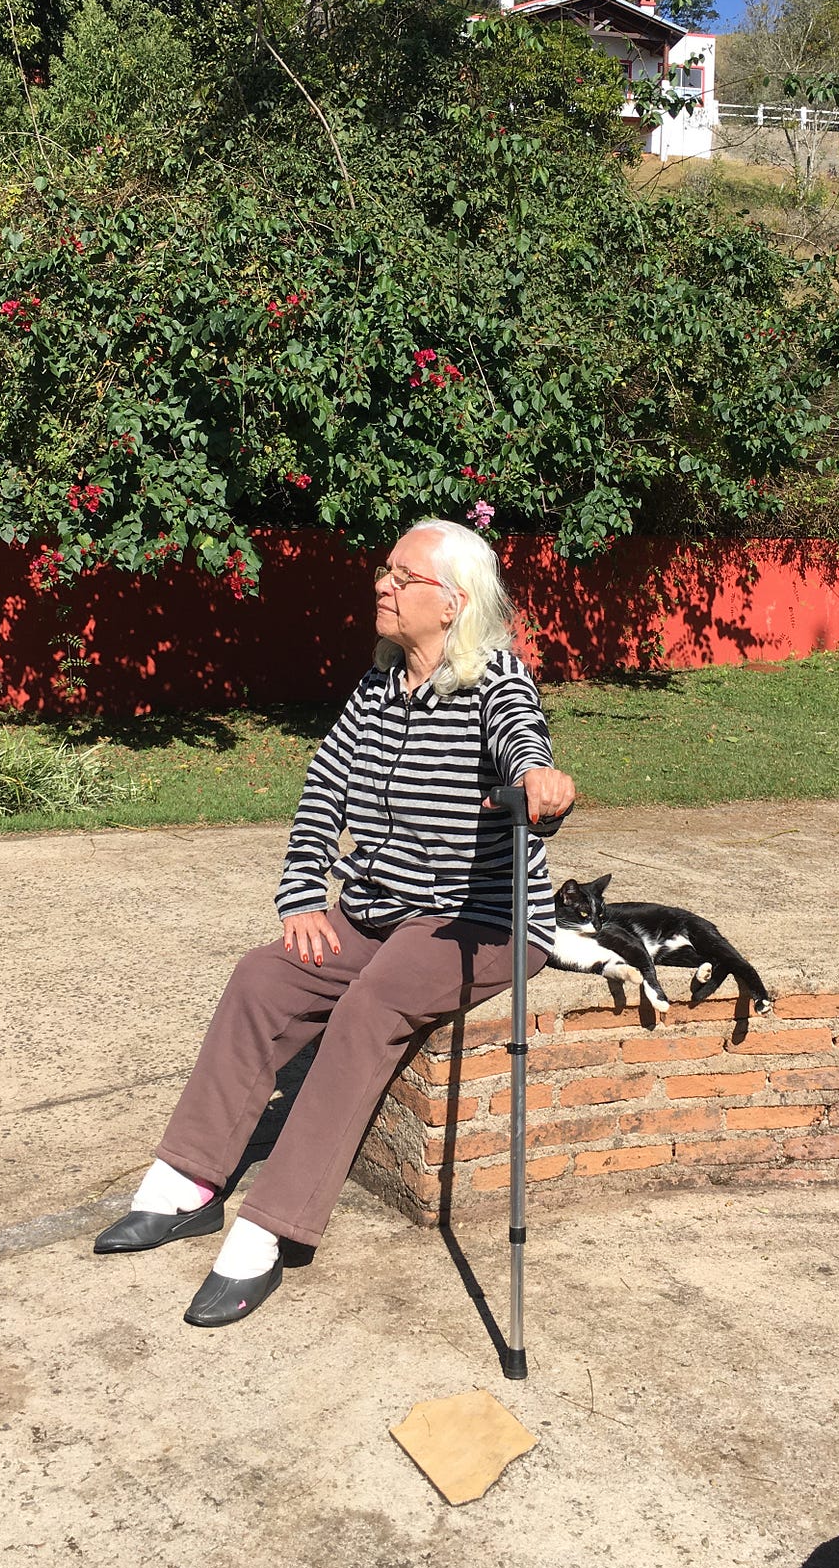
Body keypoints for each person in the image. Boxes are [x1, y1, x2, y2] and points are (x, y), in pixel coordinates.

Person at [95, 517, 576, 1326]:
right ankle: (188, 1183)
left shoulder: (497, 680)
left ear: (452, 601)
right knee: (262, 976)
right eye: (381, 569)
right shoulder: (375, 688)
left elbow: (522, 742)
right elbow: (321, 797)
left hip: (480, 921)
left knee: (368, 1007)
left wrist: (538, 779)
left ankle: (269, 1227)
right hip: (378, 911)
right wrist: (300, 896)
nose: (380, 585)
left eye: (400, 575)